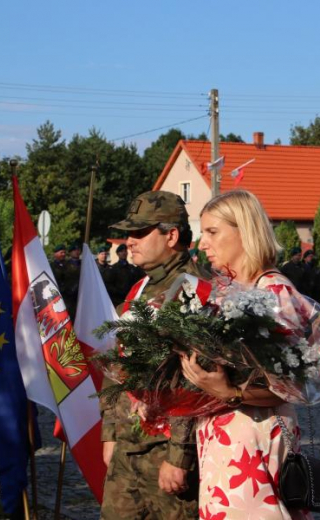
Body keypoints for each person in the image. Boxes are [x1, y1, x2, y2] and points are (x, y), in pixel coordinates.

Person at [181, 190, 311, 520]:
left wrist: (229, 392)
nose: (202, 244)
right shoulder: (228, 292)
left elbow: (290, 384)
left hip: (252, 441)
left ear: (245, 231)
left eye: (212, 232)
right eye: (202, 233)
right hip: (223, 440)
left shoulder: (272, 291)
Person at [100, 190, 204, 520]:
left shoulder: (193, 289)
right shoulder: (141, 288)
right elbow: (116, 364)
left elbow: (195, 379)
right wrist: (110, 432)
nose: (129, 241)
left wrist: (179, 456)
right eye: (129, 233)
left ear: (171, 235)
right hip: (129, 448)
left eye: (140, 232)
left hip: (165, 453)